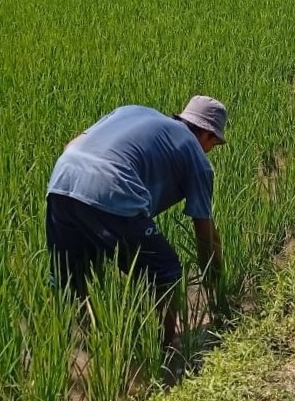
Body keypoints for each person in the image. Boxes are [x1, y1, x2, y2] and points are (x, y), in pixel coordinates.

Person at [45, 95, 227, 348]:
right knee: (166, 271)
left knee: (69, 278)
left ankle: (78, 353)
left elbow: (72, 144)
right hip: (110, 187)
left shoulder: (132, 111)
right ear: (207, 134)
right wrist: (219, 288)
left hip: (62, 181)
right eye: (214, 144)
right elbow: (205, 236)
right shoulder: (195, 155)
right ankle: (162, 350)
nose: (210, 150)